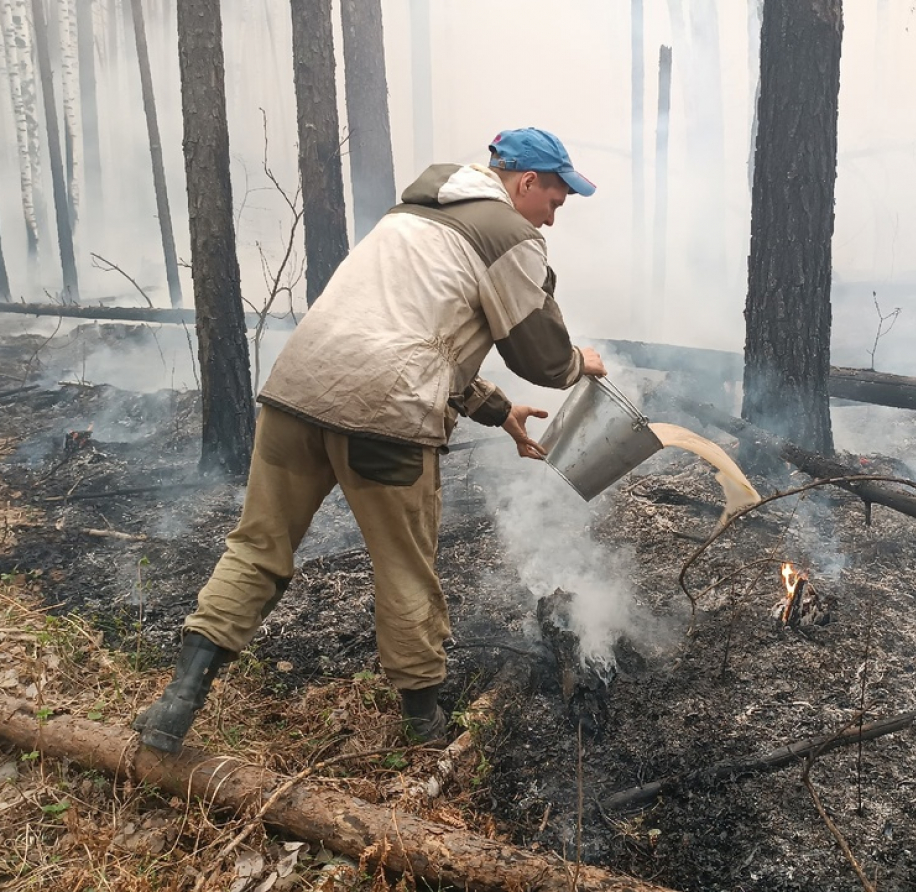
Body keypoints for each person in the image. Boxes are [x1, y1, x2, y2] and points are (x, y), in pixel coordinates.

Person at [134, 127, 607, 752]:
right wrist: (581, 363)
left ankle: (175, 706)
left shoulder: (411, 215)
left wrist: (496, 412)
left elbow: (406, 334)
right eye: (554, 200)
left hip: (296, 394)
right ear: (525, 183)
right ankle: (424, 731)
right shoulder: (512, 236)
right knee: (405, 569)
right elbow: (542, 357)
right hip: (385, 418)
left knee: (255, 549)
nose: (552, 219)